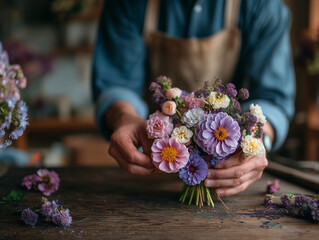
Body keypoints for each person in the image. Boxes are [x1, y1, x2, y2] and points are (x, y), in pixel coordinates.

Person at [92, 0, 295, 197]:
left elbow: (273, 97)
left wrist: (257, 141)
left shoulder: (261, 5)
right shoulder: (128, 4)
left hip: (226, 171)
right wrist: (125, 117)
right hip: (148, 169)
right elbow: (116, 83)